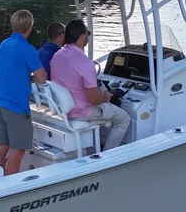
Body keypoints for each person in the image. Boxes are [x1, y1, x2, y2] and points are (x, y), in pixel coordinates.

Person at [49, 19, 131, 151]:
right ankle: (107, 156)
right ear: (82, 37)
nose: (88, 36)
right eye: (88, 33)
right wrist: (105, 96)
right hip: (82, 112)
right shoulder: (85, 63)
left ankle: (93, 148)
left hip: (62, 109)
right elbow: (94, 99)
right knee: (124, 119)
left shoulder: (56, 56)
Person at [0, 10, 47, 175]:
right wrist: (32, 76)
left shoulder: (3, 44)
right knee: (17, 152)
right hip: (16, 108)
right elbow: (42, 78)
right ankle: (9, 190)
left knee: (2, 146)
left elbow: (11, 69)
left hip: (0, 103)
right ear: (29, 27)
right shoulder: (27, 49)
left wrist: (26, 75)